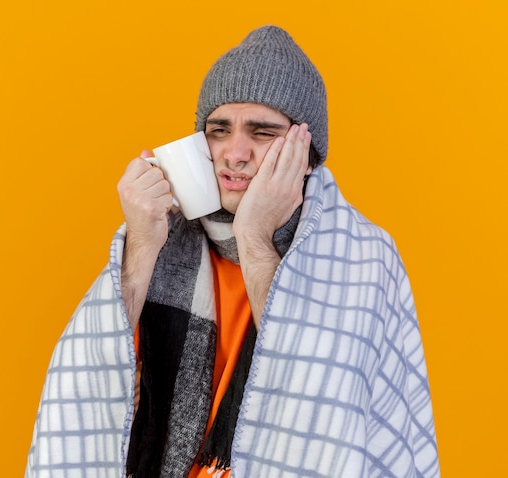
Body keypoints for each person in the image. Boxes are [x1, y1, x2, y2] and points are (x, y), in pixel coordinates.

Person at [25, 25, 439, 477]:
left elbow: (319, 406)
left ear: (308, 153)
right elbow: (92, 376)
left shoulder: (363, 255)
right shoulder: (167, 235)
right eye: (219, 130)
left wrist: (256, 238)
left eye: (262, 133)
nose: (235, 153)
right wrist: (142, 243)